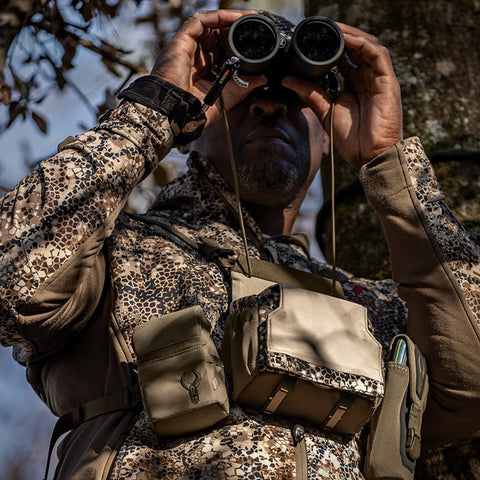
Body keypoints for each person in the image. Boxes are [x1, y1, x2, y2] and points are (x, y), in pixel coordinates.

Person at [0, 8, 479, 480]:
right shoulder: (109, 250)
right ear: (191, 128)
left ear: (327, 131)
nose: (269, 106)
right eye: (244, 91)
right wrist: (158, 109)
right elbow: (12, 270)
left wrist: (390, 165)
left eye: (296, 97)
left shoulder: (375, 308)